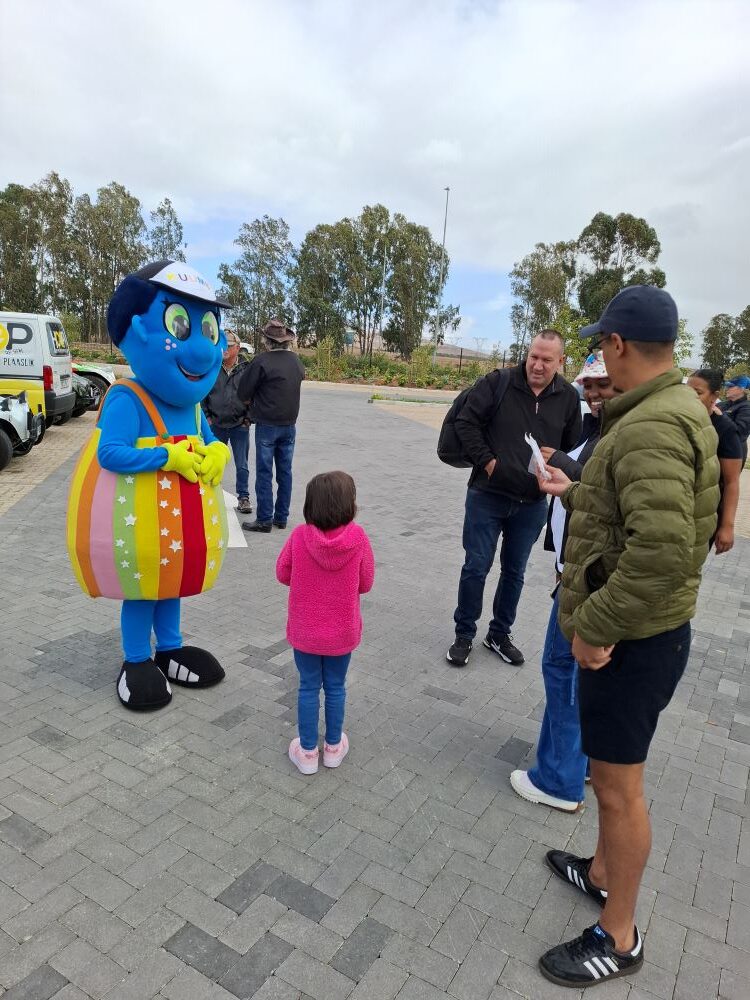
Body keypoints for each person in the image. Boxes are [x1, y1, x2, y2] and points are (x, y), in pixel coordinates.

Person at [534, 286, 719, 990]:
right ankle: (603, 872)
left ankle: (620, 932)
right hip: (645, 631)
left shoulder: (646, 425)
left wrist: (594, 628)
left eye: (599, 345)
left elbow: (664, 549)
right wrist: (574, 491)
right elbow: (633, 510)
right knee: (612, 778)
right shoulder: (671, 408)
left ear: (616, 345)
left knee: (617, 789)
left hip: (631, 640)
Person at [510, 352, 618, 813]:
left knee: (563, 668)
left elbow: (610, 505)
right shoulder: (606, 428)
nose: (593, 395)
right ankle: (583, 760)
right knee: (583, 675)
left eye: (603, 385)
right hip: (584, 571)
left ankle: (559, 779)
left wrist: (568, 475)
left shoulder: (626, 435)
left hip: (592, 579)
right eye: (587, 387)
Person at [447, 329, 581, 667]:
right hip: (486, 496)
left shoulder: (567, 397)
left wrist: (556, 463)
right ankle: (464, 634)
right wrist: (489, 463)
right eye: (533, 356)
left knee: (515, 572)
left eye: (546, 359)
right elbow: (466, 423)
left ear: (560, 362)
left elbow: (571, 445)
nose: (536, 364)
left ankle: (499, 634)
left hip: (532, 504)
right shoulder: (499, 383)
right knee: (476, 566)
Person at [276, 471, 375, 774]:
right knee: (335, 687)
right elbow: (366, 582)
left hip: (306, 630)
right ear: (350, 505)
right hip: (341, 632)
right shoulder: (358, 538)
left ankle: (307, 752)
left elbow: (282, 573)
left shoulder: (299, 536)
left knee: (307, 686)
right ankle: (333, 747)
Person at [238, 319, 306, 533]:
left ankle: (264, 519)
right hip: (289, 425)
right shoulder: (296, 362)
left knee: (265, 473)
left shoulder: (261, 361)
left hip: (267, 425)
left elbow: (243, 392)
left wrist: (253, 402)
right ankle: (281, 517)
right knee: (285, 472)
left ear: (267, 341)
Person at [688, 369, 743, 554]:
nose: (690, 398)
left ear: (714, 396)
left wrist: (727, 526)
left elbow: (731, 482)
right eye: (687, 391)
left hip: (704, 517)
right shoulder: (682, 420)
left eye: (698, 393)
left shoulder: (725, 430)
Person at [202, 327, 253, 514]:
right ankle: (210, 496)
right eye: (223, 345)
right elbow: (203, 393)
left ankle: (244, 498)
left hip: (240, 426)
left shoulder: (247, 369)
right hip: (216, 426)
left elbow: (254, 395)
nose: (224, 349)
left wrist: (248, 419)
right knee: (214, 462)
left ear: (238, 348)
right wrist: (207, 417)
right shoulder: (211, 367)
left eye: (229, 346)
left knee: (242, 464)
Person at [719, 374, 750, 464]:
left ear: (741, 389)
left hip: (733, 454)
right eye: (727, 386)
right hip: (718, 450)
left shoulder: (746, 408)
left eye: (731, 386)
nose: (727, 388)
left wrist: (720, 416)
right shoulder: (723, 404)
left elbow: (740, 433)